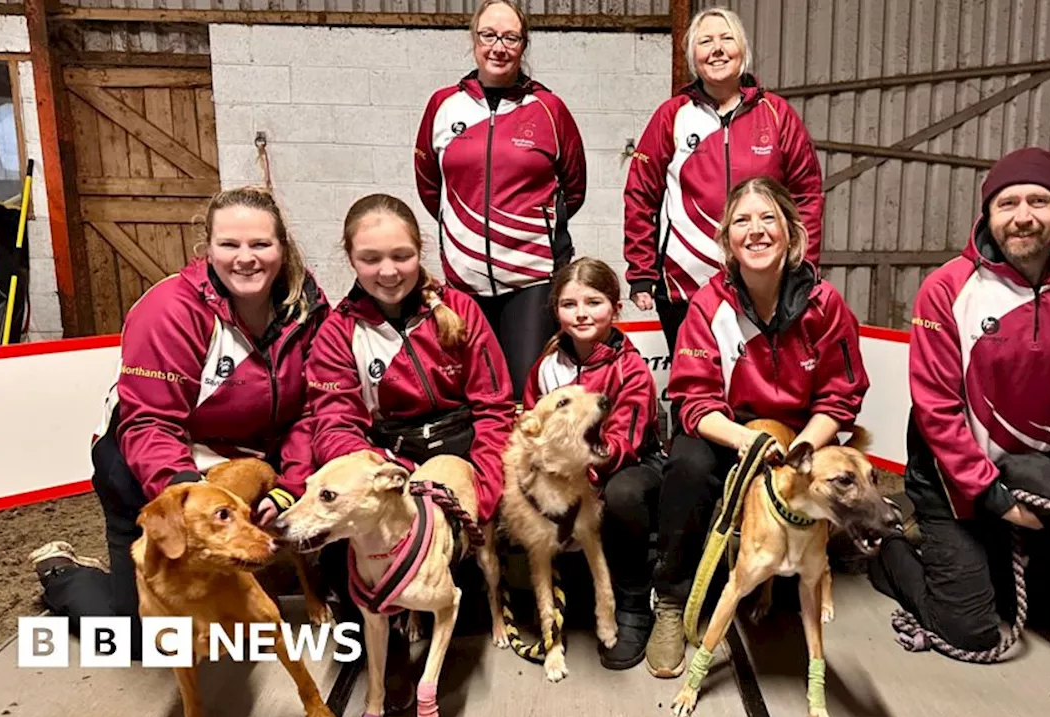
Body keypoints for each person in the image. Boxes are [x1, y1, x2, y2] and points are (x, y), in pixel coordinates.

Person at [867, 147, 1050, 654]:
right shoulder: (947, 289)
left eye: (1039, 201)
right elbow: (937, 409)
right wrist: (994, 498)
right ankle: (889, 550)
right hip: (955, 482)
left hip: (1038, 473)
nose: (1023, 216)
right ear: (988, 214)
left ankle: (987, 557)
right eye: (1008, 204)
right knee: (971, 630)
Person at [29, 186, 329, 655]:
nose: (245, 258)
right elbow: (149, 425)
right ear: (206, 248)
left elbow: (308, 410)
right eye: (229, 245)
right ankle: (63, 574)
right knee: (143, 642)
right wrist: (191, 503)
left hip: (239, 472)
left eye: (261, 245)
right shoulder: (169, 309)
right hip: (150, 477)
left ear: (282, 248)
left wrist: (288, 486)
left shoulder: (304, 304)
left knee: (232, 625)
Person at [646, 176, 868, 678]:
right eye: (742, 221)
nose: (757, 231)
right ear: (727, 241)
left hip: (800, 435)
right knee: (686, 465)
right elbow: (693, 399)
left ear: (791, 233)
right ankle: (673, 598)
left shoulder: (825, 304)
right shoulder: (709, 303)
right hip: (731, 429)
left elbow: (842, 394)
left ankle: (809, 571)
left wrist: (804, 448)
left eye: (768, 218)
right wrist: (746, 439)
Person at [293, 192, 514, 526]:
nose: (389, 271)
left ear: (420, 252)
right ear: (351, 259)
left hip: (468, 463)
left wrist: (482, 493)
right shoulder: (337, 333)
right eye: (370, 259)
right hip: (394, 471)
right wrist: (397, 479)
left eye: (401, 256)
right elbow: (335, 428)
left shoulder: (461, 309)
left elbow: (494, 408)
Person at [623, 7, 825, 353]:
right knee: (692, 389)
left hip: (765, 284)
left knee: (756, 392)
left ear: (742, 50)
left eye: (726, 38)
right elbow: (640, 197)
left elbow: (807, 195)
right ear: (693, 57)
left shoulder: (778, 114)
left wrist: (803, 265)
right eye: (705, 41)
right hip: (684, 286)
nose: (717, 49)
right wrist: (641, 271)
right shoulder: (671, 116)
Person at [414, 0, 587, 401]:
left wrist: (533, 232)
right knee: (470, 392)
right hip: (463, 278)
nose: (498, 47)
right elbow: (429, 185)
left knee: (525, 392)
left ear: (524, 45)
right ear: (474, 40)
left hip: (532, 279)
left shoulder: (549, 109)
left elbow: (573, 188)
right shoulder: (443, 106)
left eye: (511, 37)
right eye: (488, 35)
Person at [521, 257, 664, 671]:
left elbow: (623, 443)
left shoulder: (631, 368)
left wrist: (574, 475)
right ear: (556, 311)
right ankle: (552, 596)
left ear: (616, 309)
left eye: (594, 302)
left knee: (623, 494)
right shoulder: (547, 366)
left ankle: (635, 604)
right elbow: (534, 426)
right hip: (564, 468)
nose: (581, 313)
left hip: (625, 465)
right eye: (569, 304)